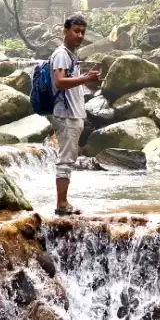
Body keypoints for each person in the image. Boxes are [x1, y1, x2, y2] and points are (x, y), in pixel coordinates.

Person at [50, 14, 100, 215]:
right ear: (65, 31)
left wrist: (86, 79)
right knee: (66, 160)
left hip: (72, 114)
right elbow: (59, 81)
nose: (79, 36)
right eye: (76, 31)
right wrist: (85, 78)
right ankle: (62, 204)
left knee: (68, 159)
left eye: (82, 32)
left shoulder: (71, 55)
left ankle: (64, 202)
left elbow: (69, 82)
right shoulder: (62, 54)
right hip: (66, 115)